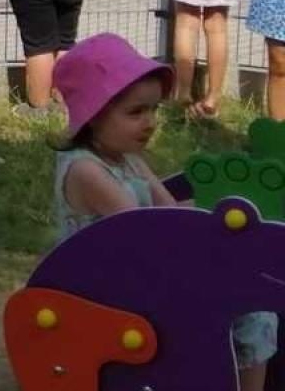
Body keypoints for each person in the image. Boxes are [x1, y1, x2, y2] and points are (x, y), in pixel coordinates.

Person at [50, 33, 276, 390]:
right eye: (135, 112)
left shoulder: (130, 161)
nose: (150, 122)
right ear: (93, 115)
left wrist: (216, 219)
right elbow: (146, 231)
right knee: (248, 313)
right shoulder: (86, 171)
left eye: (153, 109)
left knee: (252, 300)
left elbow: (170, 214)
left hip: (144, 273)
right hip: (108, 289)